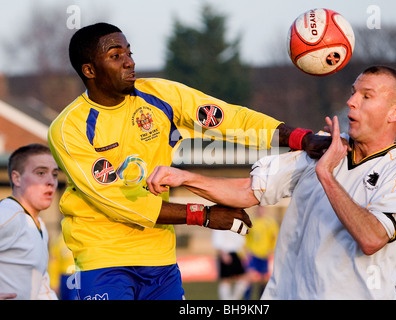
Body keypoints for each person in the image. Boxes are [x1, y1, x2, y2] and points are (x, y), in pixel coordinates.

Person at [48, 22, 329, 300]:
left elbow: (232, 119)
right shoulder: (68, 128)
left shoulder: (160, 96)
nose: (129, 62)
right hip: (103, 260)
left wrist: (300, 139)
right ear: (89, 70)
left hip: (161, 259)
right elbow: (119, 202)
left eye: (129, 52)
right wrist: (203, 215)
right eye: (115, 55)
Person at [147, 66, 396, 299]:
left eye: (366, 96)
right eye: (353, 92)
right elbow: (249, 190)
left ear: (394, 113)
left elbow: (372, 238)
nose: (351, 101)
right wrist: (185, 178)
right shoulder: (321, 149)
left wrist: (327, 175)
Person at [0, 144, 59, 300]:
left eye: (54, 174)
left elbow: (41, 288)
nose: (51, 182)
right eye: (40, 173)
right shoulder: (8, 214)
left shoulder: (40, 227)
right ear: (16, 178)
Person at [243, 207, 278, 299]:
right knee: (249, 276)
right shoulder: (251, 223)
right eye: (259, 209)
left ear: (264, 210)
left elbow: (274, 237)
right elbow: (246, 237)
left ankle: (261, 297)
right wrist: (246, 250)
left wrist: (271, 249)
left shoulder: (270, 223)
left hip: (264, 254)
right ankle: (247, 297)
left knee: (264, 279)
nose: (260, 211)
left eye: (262, 209)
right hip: (253, 253)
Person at [212, 229, 248, 300]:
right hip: (225, 253)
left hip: (236, 253)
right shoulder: (220, 222)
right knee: (225, 280)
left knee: (242, 280)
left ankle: (234, 298)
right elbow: (217, 240)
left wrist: (244, 255)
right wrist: (223, 254)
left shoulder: (237, 223)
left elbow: (241, 240)